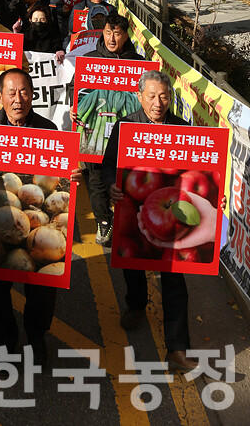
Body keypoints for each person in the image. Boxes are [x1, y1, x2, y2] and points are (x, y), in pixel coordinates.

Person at [0, 68, 81, 363]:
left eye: (24, 92)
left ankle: (37, 337)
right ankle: (4, 341)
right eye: (11, 93)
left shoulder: (48, 130)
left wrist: (71, 174)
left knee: (41, 289)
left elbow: (59, 177)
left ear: (32, 95)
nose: (18, 99)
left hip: (34, 219)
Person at [101, 71, 208, 373]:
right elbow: (109, 165)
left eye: (164, 96)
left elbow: (199, 169)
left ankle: (177, 348)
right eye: (151, 95)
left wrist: (212, 199)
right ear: (139, 96)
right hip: (132, 210)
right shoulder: (125, 127)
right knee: (133, 265)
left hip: (171, 214)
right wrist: (112, 184)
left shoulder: (183, 129)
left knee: (175, 280)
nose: (158, 103)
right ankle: (136, 305)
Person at [81, 13, 146, 246]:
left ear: (125, 35)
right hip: (96, 133)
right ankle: (103, 220)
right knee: (96, 179)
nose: (111, 38)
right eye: (108, 32)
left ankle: (125, 218)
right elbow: (76, 90)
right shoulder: (90, 60)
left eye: (116, 33)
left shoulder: (138, 64)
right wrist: (74, 107)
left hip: (126, 136)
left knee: (125, 178)